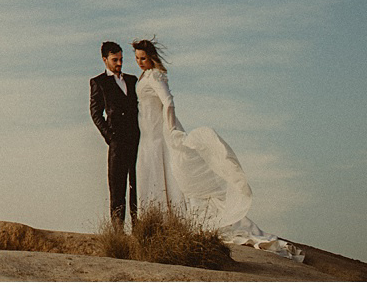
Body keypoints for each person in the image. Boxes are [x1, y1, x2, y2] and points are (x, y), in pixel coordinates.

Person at [131, 39, 299, 255]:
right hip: (148, 133)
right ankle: (160, 222)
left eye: (143, 58)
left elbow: (169, 101)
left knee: (170, 172)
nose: (139, 62)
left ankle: (172, 221)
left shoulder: (154, 75)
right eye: (136, 58)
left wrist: (171, 129)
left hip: (159, 133)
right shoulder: (144, 76)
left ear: (151, 57)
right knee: (154, 172)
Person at [90, 40, 141, 228]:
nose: (119, 63)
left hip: (137, 139)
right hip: (117, 142)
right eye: (114, 60)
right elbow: (96, 113)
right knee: (117, 187)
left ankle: (139, 228)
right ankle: (117, 232)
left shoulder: (132, 80)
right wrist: (110, 137)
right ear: (105, 59)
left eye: (121, 59)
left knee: (137, 184)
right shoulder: (98, 82)